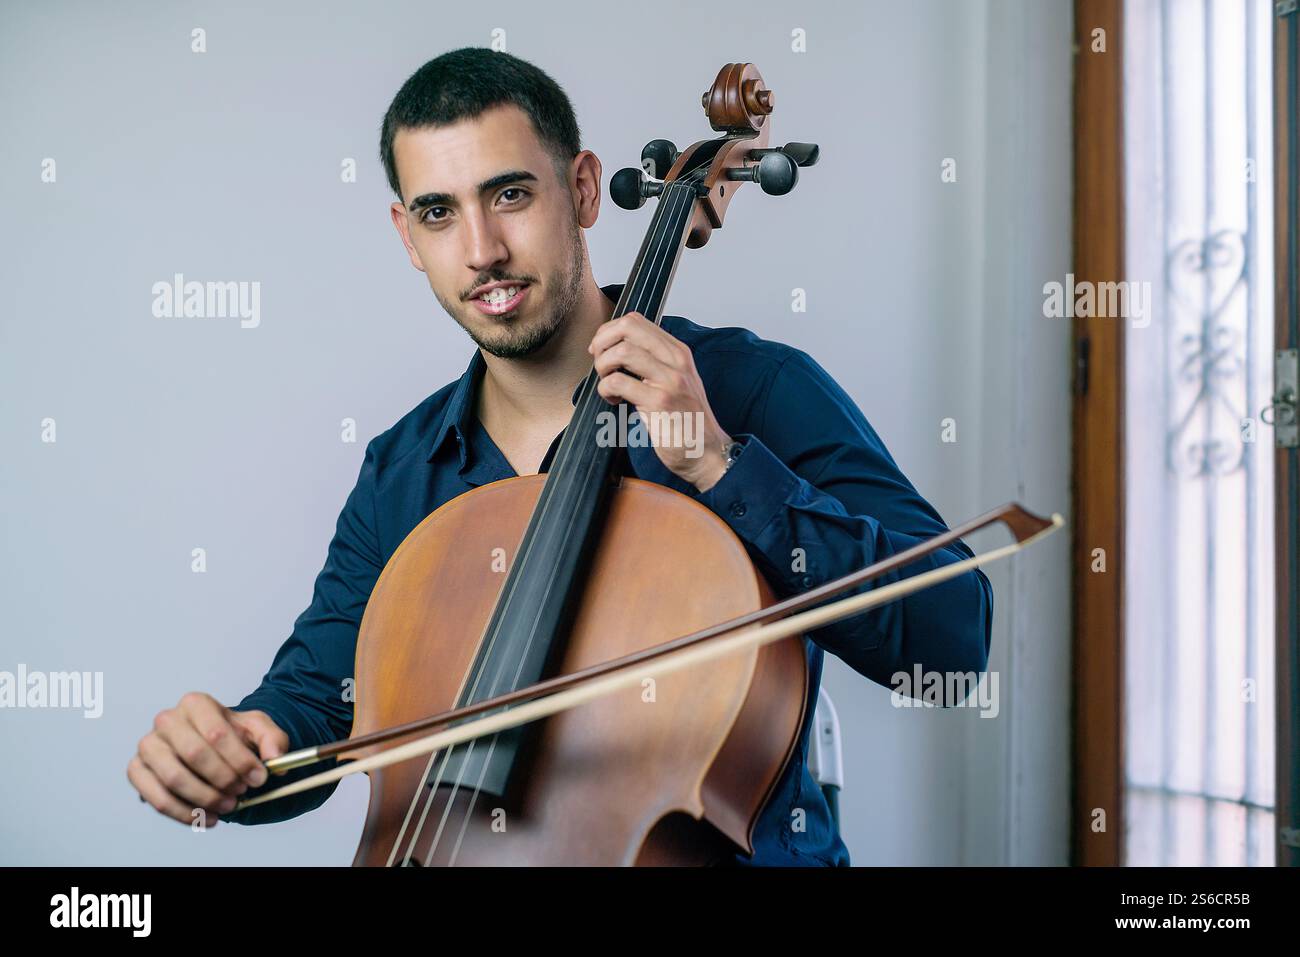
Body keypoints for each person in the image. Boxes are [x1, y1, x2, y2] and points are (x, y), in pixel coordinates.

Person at [127, 47, 993, 866]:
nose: (482, 251)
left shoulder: (754, 389)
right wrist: (236, 752)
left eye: (509, 195)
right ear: (406, 234)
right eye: (439, 212)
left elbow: (955, 643)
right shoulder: (405, 471)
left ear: (582, 189)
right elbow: (312, 707)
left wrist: (722, 467)